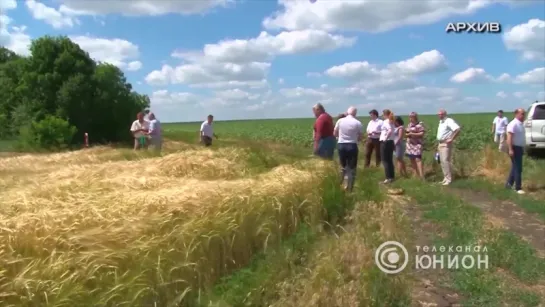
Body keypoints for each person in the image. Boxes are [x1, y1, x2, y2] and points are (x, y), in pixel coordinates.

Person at [334, 106, 363, 192]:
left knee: (343, 167)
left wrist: (340, 137)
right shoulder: (358, 123)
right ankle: (349, 188)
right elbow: (360, 137)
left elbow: (334, 133)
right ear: (355, 113)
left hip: (341, 145)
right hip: (352, 145)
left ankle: (340, 184)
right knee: (352, 168)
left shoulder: (340, 121)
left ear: (347, 112)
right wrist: (354, 139)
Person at [436, 109, 461, 185]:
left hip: (446, 144)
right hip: (440, 143)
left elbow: (457, 129)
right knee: (442, 162)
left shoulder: (449, 121)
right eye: (438, 114)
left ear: (445, 114)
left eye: (441, 114)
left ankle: (449, 179)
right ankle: (445, 178)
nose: (439, 115)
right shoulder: (441, 122)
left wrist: (452, 138)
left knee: (445, 160)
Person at [505, 108, 526, 194]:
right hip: (514, 148)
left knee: (515, 167)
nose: (523, 115)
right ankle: (518, 187)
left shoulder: (520, 124)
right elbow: (509, 137)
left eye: (524, 114)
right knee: (518, 168)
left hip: (519, 147)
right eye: (522, 114)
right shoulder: (513, 124)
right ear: (516, 114)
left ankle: (509, 184)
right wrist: (510, 149)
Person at [405, 112, 425, 180]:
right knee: (412, 159)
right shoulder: (409, 124)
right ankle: (415, 174)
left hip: (417, 144)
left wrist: (412, 134)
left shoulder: (419, 124)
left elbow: (422, 133)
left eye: (412, 117)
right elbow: (407, 132)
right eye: (410, 117)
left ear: (415, 117)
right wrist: (406, 134)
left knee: (418, 159)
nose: (410, 118)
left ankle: (421, 176)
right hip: (410, 144)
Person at [379, 109, 396, 184]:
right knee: (389, 160)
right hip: (391, 142)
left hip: (386, 142)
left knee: (385, 160)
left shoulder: (386, 121)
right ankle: (391, 177)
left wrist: (385, 138)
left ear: (384, 115)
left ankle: (388, 178)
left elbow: (389, 131)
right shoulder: (391, 121)